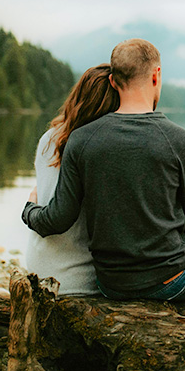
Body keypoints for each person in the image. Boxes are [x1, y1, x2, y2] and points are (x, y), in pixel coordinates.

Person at [22, 38, 185, 301]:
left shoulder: (82, 139)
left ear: (113, 81)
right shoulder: (181, 140)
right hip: (168, 277)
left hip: (110, 282)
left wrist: (29, 209)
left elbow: (60, 217)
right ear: (156, 76)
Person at [24, 63, 118, 295]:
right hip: (77, 279)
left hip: (39, 268)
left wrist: (28, 209)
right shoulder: (99, 148)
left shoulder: (49, 138)